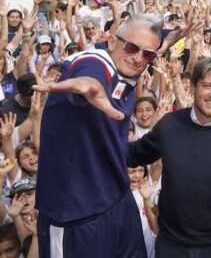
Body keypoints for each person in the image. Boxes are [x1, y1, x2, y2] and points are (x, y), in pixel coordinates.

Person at [35, 13, 163, 258]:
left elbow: (144, 49)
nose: (138, 58)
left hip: (116, 200)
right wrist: (90, 84)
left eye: (148, 54)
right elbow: (91, 72)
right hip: (76, 214)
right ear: (111, 40)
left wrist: (168, 39)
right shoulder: (95, 60)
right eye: (132, 47)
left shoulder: (128, 67)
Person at [128, 56, 211, 257]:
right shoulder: (170, 125)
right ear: (192, 86)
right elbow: (132, 154)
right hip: (172, 245)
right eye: (208, 85)